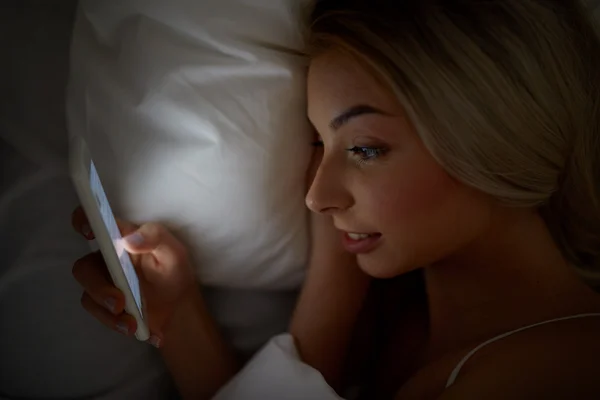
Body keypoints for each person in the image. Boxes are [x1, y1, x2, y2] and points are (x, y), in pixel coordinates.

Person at [71, 0, 600, 398]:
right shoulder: (403, 319)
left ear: (494, 134)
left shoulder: (557, 369)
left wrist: (334, 275)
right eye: (318, 142)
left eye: (366, 148)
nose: (316, 198)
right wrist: (180, 312)